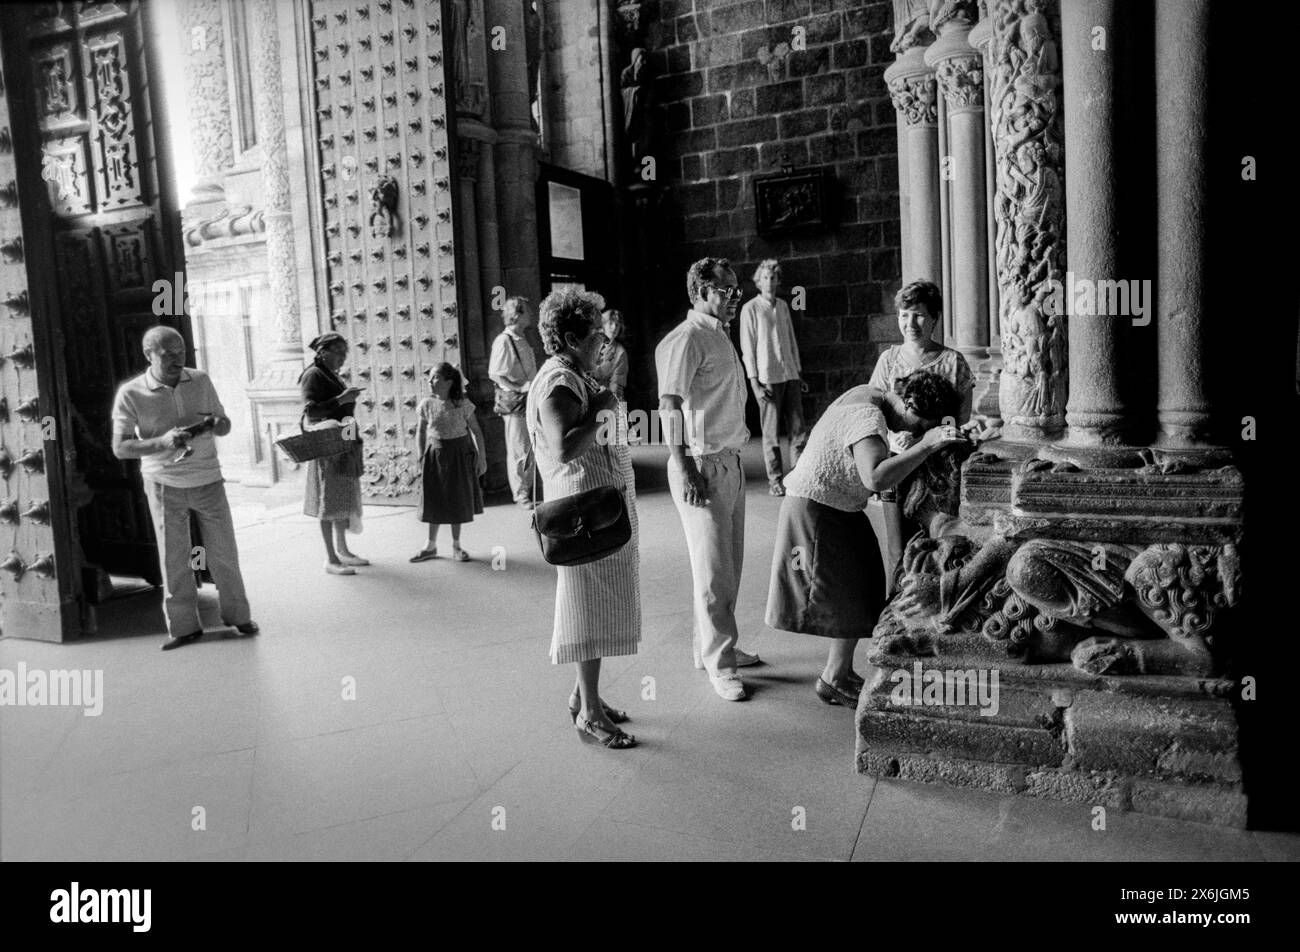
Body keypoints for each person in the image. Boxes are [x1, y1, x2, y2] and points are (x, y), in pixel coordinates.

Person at [766, 372, 967, 705]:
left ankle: (837, 673)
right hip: (816, 508)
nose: (913, 432)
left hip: (835, 504)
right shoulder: (868, 418)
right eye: (918, 424)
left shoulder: (872, 394)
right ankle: (834, 677)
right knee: (845, 588)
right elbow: (874, 477)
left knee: (863, 581)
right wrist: (928, 444)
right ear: (909, 403)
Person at [529, 287, 641, 749]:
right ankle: (590, 715)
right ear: (573, 337)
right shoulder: (558, 380)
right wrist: (602, 412)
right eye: (596, 333)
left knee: (599, 605)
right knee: (587, 608)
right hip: (583, 515)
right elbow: (563, 446)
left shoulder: (576, 372)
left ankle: (585, 695)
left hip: (599, 506)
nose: (604, 341)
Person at [111, 326, 258, 650]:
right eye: (169, 354)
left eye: (182, 352)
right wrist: (162, 441)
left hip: (208, 478)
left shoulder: (201, 380)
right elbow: (120, 448)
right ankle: (184, 627)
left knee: (224, 553)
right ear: (149, 355)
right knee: (174, 558)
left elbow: (225, 421)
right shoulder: (131, 393)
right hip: (164, 484)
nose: (179, 359)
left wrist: (220, 424)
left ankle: (238, 615)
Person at [656, 257, 762, 702]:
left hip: (729, 461)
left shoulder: (717, 335)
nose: (735, 297)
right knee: (713, 572)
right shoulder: (686, 339)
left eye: (737, 289)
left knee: (728, 566)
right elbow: (669, 406)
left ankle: (715, 645)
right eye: (726, 290)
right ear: (700, 291)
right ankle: (721, 664)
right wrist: (684, 468)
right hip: (702, 465)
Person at [868, 279, 974, 442]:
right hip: (897, 450)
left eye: (918, 315)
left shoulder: (954, 361)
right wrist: (893, 439)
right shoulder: (888, 360)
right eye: (904, 315)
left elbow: (960, 417)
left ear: (934, 317)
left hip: (940, 448)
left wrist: (931, 438)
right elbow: (873, 409)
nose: (910, 324)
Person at [299, 333, 369, 576]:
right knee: (328, 501)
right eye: (338, 352)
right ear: (322, 351)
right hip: (327, 444)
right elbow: (311, 411)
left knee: (342, 497)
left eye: (344, 352)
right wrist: (342, 399)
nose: (342, 357)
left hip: (342, 441)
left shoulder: (332, 375)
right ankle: (330, 558)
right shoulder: (313, 375)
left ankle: (343, 549)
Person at [739, 258, 809, 496]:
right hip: (767, 377)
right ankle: (776, 480)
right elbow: (747, 349)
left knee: (798, 429)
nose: (769, 282)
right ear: (758, 281)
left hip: (789, 375)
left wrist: (798, 373)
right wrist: (754, 383)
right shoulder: (750, 309)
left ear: (778, 281)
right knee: (771, 433)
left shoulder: (783, 306)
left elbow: (790, 341)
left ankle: (799, 476)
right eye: (765, 278)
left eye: (773, 277)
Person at [410, 363, 486, 563]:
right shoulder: (427, 404)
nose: (430, 381)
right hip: (435, 456)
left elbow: (476, 432)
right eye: (430, 377)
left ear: (448, 382)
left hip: (459, 456)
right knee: (434, 499)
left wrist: (482, 458)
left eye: (435, 377)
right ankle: (430, 545)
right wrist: (420, 456)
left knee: (456, 499)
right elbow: (420, 432)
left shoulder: (462, 404)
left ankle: (456, 545)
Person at [489, 297, 539, 509]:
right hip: (516, 401)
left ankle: (529, 489)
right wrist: (519, 387)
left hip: (528, 399)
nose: (531, 314)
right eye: (527, 311)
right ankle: (521, 494)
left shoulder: (521, 338)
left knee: (529, 446)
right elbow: (495, 374)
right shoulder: (504, 341)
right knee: (519, 449)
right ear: (517, 314)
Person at [590, 308, 630, 401]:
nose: (614, 328)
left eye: (617, 325)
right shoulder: (589, 344)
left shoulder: (620, 352)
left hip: (608, 397)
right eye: (611, 323)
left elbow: (616, 385)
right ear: (603, 325)